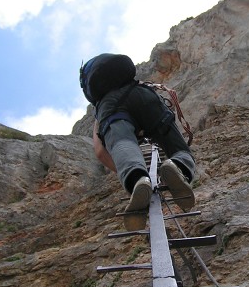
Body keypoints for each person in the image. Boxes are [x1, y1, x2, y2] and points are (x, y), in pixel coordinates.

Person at [79, 53, 196, 231]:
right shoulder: (132, 81)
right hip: (142, 94)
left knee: (122, 141)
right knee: (178, 148)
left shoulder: (99, 108)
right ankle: (178, 165)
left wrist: (127, 170)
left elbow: (100, 152)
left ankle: (138, 178)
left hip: (111, 108)